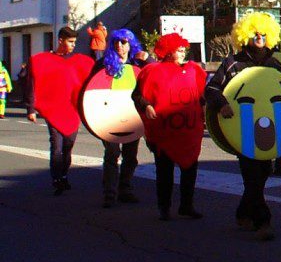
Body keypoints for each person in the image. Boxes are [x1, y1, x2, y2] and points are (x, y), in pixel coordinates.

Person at [205, 12, 281, 241]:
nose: (260, 36)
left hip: (270, 132)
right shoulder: (232, 63)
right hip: (242, 131)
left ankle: (244, 212)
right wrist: (222, 104)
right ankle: (264, 221)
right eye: (255, 32)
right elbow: (211, 90)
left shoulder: (275, 65)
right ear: (245, 35)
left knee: (262, 174)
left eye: (264, 33)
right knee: (252, 175)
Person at [134, 33, 206, 221]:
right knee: (164, 172)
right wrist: (147, 106)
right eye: (178, 50)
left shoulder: (192, 70)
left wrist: (204, 107)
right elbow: (138, 95)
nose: (183, 53)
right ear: (168, 51)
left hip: (188, 131)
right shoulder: (153, 71)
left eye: (184, 49)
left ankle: (186, 205)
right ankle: (164, 207)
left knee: (190, 169)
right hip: (164, 131)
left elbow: (200, 95)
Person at [26, 26, 93, 194]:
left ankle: (63, 175)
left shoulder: (80, 61)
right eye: (70, 42)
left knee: (68, 146)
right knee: (56, 146)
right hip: (52, 109)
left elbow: (94, 80)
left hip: (72, 110)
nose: (73, 45)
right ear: (60, 40)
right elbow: (31, 84)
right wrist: (31, 109)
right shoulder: (42, 60)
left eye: (75, 42)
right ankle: (57, 179)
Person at [92, 29, 145, 208]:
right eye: (117, 42)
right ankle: (109, 193)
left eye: (124, 42)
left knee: (131, 156)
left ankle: (125, 189)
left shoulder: (138, 64)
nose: (120, 46)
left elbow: (155, 75)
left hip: (133, 117)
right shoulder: (103, 65)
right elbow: (90, 92)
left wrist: (148, 58)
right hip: (109, 117)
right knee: (112, 154)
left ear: (131, 44)